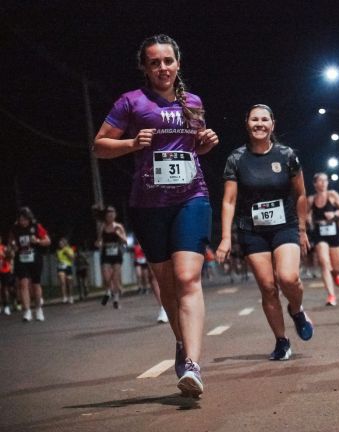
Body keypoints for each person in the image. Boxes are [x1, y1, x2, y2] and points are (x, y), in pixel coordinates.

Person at [94, 34, 218, 397]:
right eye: (154, 63)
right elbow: (100, 145)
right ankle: (182, 341)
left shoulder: (192, 102)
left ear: (178, 63)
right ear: (145, 68)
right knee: (167, 284)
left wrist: (205, 144)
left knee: (187, 278)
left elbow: (193, 146)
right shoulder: (131, 102)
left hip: (191, 197)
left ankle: (193, 365)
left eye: (168, 61)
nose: (162, 68)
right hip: (148, 204)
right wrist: (132, 144)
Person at [217, 104, 313, 361]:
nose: (259, 124)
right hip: (252, 230)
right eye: (254, 120)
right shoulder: (236, 159)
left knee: (288, 278)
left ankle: (297, 309)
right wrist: (226, 238)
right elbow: (229, 201)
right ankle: (282, 341)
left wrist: (302, 229)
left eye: (264, 120)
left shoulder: (287, 155)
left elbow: (301, 194)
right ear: (247, 124)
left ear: (272, 124)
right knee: (268, 288)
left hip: (285, 225)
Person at [308, 173, 339, 306]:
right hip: (319, 233)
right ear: (315, 184)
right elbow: (305, 213)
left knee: (337, 267)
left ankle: (337, 274)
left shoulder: (332, 194)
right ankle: (331, 295)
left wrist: (334, 213)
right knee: (324, 262)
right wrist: (308, 221)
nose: (324, 183)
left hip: (334, 231)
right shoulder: (311, 199)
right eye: (320, 180)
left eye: (325, 180)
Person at [8, 207, 51, 322]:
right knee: (23, 284)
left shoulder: (36, 226)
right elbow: (10, 244)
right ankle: (27, 311)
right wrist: (12, 247)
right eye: (20, 219)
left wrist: (37, 241)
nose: (23, 222)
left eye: (25, 219)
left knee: (36, 284)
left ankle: (38, 309)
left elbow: (48, 241)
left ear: (29, 218)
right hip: (21, 259)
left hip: (35, 258)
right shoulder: (15, 229)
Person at [95, 206, 127, 309]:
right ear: (106, 216)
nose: (110, 215)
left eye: (112, 213)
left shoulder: (119, 226)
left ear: (115, 215)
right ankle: (108, 291)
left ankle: (116, 299)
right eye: (108, 214)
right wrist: (98, 243)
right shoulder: (102, 226)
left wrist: (118, 234)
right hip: (106, 253)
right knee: (106, 276)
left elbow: (125, 241)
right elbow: (99, 240)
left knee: (116, 277)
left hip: (116, 253)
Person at [56, 237, 76, 304]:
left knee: (69, 282)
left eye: (61, 243)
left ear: (65, 244)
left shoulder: (69, 249)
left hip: (68, 267)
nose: (60, 244)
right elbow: (58, 259)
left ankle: (71, 296)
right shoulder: (58, 251)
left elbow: (72, 259)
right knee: (62, 281)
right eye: (59, 243)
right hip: (60, 267)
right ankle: (64, 297)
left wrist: (67, 253)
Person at [0, 236, 15, 315]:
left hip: (5, 270)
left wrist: (5, 255)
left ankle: (7, 306)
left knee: (5, 288)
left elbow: (10, 257)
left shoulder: (4, 248)